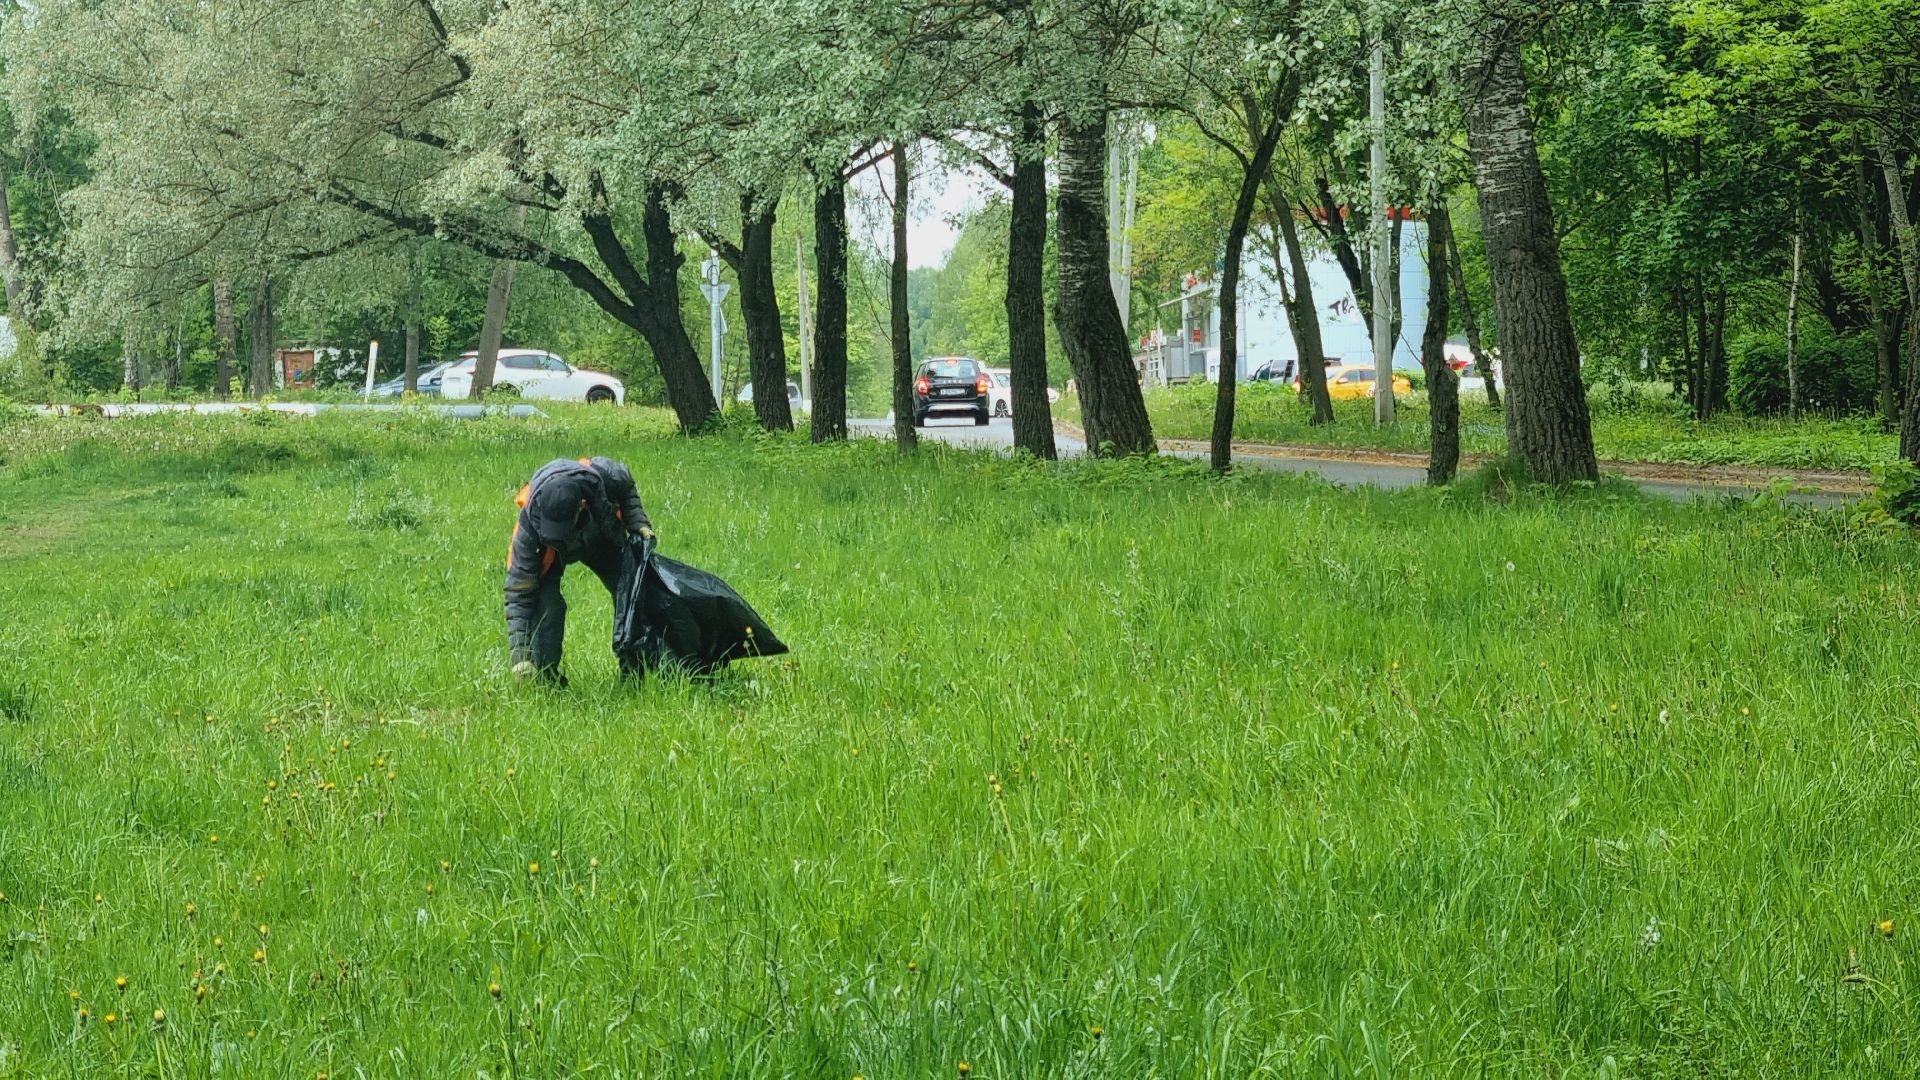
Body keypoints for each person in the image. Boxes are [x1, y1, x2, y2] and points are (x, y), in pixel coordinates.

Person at [504, 456, 654, 684]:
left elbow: (625, 484)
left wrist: (637, 522)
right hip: (550, 553)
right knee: (548, 605)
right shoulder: (530, 530)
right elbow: (519, 593)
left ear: (581, 506)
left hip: (599, 536)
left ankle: (635, 671)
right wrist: (521, 658)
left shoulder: (605, 476)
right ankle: (546, 680)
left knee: (632, 592)